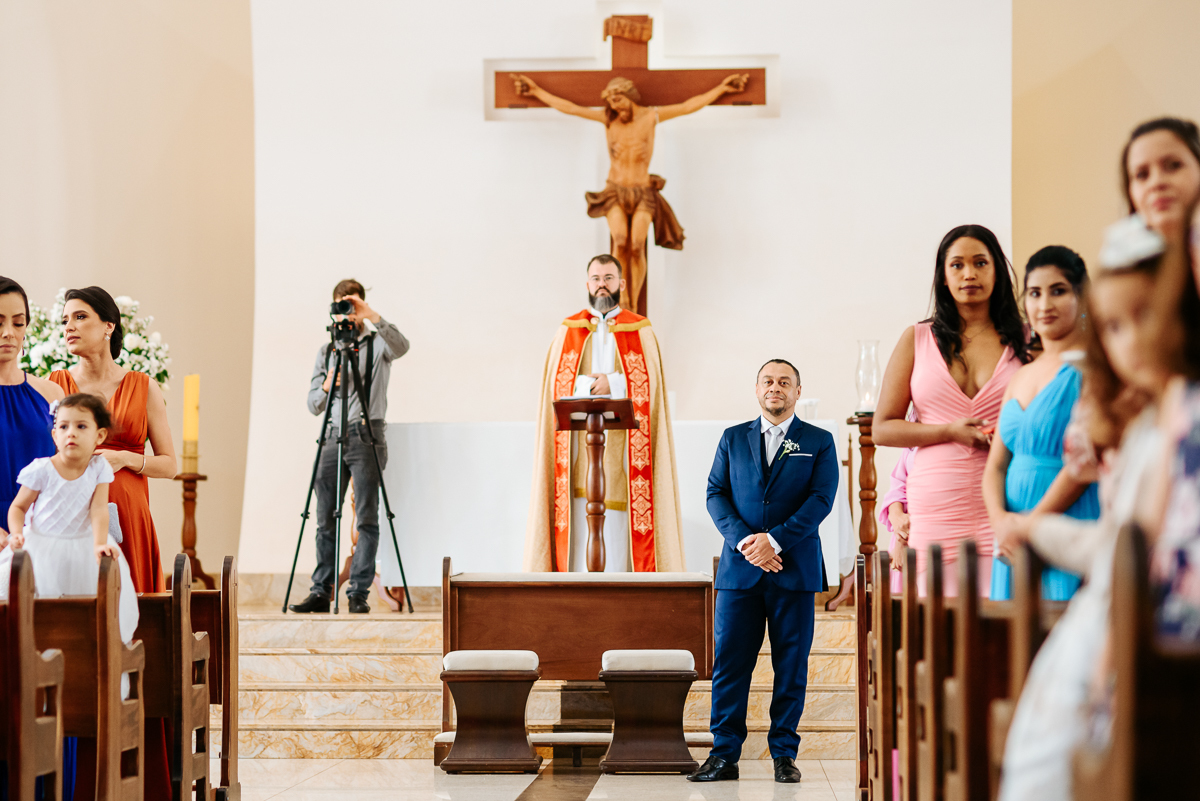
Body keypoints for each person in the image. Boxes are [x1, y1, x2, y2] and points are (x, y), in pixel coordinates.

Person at [997, 217, 1187, 801]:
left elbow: (1129, 550)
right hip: (1097, 591)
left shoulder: (1173, 426)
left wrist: (1038, 526)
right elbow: (1117, 540)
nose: (1133, 341)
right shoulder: (1147, 425)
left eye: (1146, 318)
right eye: (1116, 327)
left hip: (1139, 619)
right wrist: (1026, 527)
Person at [49, 285, 177, 800]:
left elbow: (171, 463)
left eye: (80, 317)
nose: (69, 327)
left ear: (109, 325)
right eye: (64, 321)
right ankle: (81, 778)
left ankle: (140, 778)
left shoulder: (143, 386)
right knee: (82, 639)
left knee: (135, 637)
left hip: (134, 520)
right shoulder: (55, 385)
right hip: (79, 524)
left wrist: (126, 459)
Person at [689, 359, 838, 785]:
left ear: (797, 391)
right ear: (757, 389)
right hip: (740, 573)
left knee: (791, 666)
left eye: (784, 382)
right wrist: (746, 543)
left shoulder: (819, 441)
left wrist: (773, 541)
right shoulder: (732, 438)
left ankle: (784, 756)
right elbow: (715, 493)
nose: (776, 387)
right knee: (731, 664)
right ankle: (724, 756)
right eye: (768, 381)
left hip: (793, 569)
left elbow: (820, 500)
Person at [873, 225, 1027, 596]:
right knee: (935, 627)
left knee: (1005, 626)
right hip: (937, 503)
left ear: (997, 272)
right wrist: (949, 432)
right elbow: (883, 428)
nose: (969, 274)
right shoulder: (917, 338)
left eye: (980, 263)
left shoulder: (1027, 338)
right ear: (943, 276)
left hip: (1007, 498)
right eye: (957, 265)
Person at [511, 72, 747, 312]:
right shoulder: (608, 119)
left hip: (643, 191)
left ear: (629, 96)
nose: (615, 106)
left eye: (619, 100)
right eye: (611, 102)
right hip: (615, 191)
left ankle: (632, 301)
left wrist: (722, 89)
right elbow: (571, 108)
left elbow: (687, 107)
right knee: (620, 240)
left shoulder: (650, 116)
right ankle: (620, 298)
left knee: (636, 244)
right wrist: (536, 92)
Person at [524, 254, 684, 572]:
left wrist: (611, 382)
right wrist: (589, 386)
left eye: (608, 278)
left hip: (625, 460)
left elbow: (649, 388)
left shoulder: (641, 330)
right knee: (577, 547)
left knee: (620, 552)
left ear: (621, 283)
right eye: (596, 279)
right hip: (577, 460)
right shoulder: (567, 330)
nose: (602, 285)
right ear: (587, 284)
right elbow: (556, 387)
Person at [983, 246, 1098, 601]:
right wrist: (1002, 523)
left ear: (1082, 297)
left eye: (1058, 290)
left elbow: (1085, 462)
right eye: (1034, 293)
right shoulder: (1021, 376)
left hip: (1066, 522)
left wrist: (1032, 526)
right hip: (1012, 539)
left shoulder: (1095, 369)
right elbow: (996, 466)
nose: (1044, 303)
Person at [289, 279, 410, 615]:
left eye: (352, 306)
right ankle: (320, 591)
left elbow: (402, 346)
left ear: (360, 307)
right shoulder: (326, 352)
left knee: (367, 518)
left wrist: (373, 316)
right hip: (331, 436)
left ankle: (358, 592)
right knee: (325, 518)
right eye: (341, 306)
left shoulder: (377, 344)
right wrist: (328, 384)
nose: (346, 314)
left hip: (367, 434)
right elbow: (313, 404)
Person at [0, 393, 139, 642]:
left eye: (81, 426)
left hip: (83, 545)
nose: (70, 433)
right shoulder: (42, 469)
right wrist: (17, 533)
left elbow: (98, 509)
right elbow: (18, 507)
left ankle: (83, 655)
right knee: (37, 606)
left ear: (100, 436)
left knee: (85, 612)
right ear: (54, 435)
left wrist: (99, 543)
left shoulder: (99, 469)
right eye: (63, 426)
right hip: (41, 546)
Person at [0, 277, 63, 546]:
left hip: (45, 531)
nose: (8, 332)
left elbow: (67, 469)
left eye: (18, 322)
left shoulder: (52, 393)